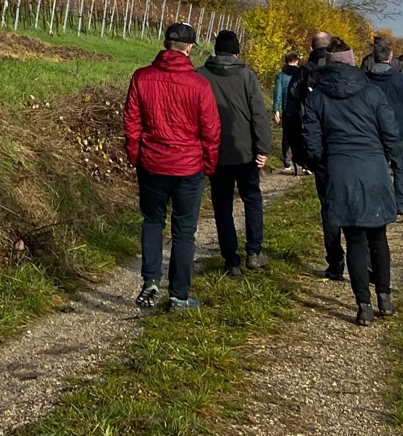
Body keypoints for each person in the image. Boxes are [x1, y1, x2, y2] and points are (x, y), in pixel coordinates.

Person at [301, 43, 403, 324]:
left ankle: (363, 306)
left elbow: (311, 139)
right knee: (378, 237)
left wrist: (325, 161)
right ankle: (384, 296)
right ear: (352, 61)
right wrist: (386, 158)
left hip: (340, 169)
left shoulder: (317, 98)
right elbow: (390, 132)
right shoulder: (372, 92)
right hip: (373, 168)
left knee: (355, 241)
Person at [123, 21, 222, 312]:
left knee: (153, 222)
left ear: (165, 44)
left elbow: (131, 122)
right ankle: (179, 294)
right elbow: (211, 131)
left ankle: (151, 278)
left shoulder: (142, 77)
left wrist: (135, 156)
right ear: (190, 48)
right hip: (189, 168)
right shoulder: (199, 85)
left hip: (152, 163)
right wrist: (209, 165)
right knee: (184, 231)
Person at [202, 30, 271, 275]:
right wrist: (263, 147)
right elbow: (258, 114)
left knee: (222, 205)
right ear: (237, 52)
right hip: (245, 151)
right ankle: (254, 251)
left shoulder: (201, 75)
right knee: (252, 199)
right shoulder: (247, 76)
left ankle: (231, 260)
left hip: (215, 152)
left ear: (215, 50)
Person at [284, 43, 345, 281]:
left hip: (319, 151)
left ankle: (335, 262)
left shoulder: (303, 73)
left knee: (328, 205)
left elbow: (291, 113)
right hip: (348, 149)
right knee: (353, 202)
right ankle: (365, 261)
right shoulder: (347, 74)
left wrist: (300, 153)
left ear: (310, 47)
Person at [362, 39, 403, 213]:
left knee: (377, 167)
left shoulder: (365, 80)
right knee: (400, 167)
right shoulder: (401, 79)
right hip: (396, 129)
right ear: (391, 59)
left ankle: (378, 203)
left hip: (372, 130)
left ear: (375, 59)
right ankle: (400, 204)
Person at [272, 52, 303, 171]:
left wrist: (276, 110)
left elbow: (278, 94)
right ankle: (300, 158)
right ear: (296, 61)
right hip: (300, 108)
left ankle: (287, 160)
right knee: (301, 132)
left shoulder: (280, 76)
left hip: (286, 108)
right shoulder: (301, 73)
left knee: (286, 135)